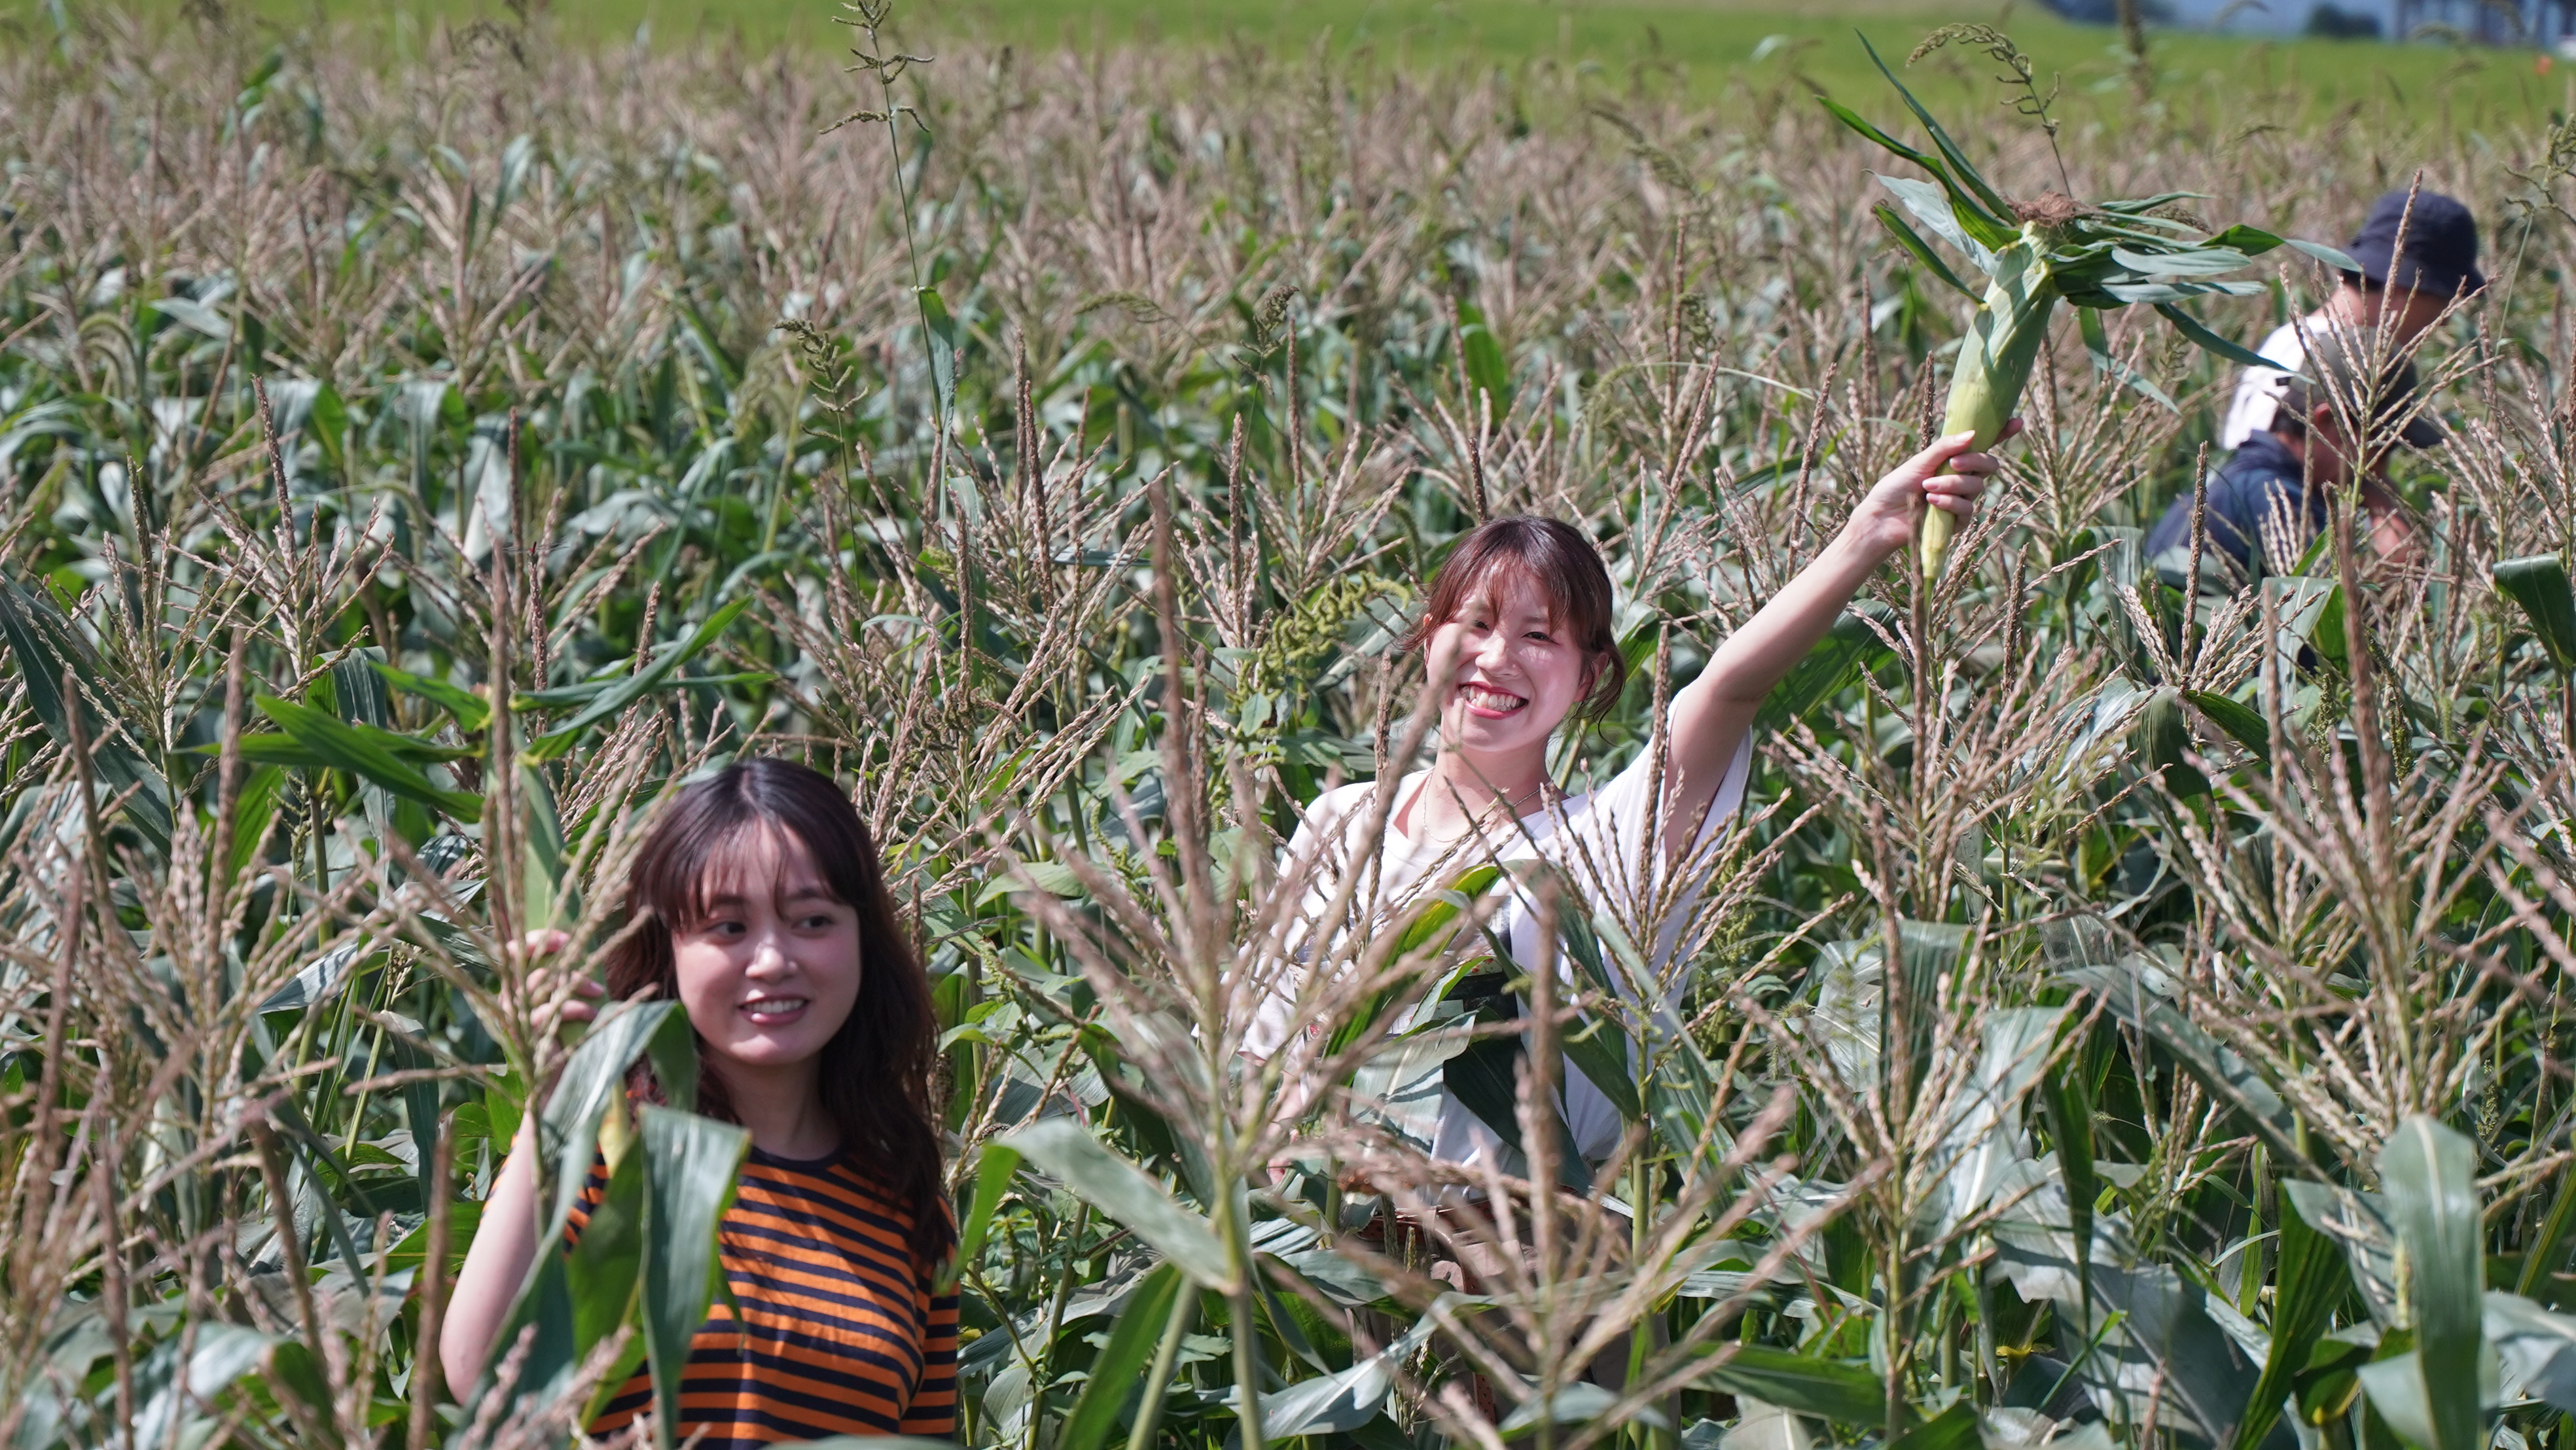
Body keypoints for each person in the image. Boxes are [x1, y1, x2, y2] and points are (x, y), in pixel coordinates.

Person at [1254, 425, 2011, 1176]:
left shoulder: (1604, 841)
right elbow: (1259, 1046)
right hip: (1313, 1228)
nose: (1497, 657)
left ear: (1589, 676)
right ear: (1430, 640)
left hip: (1503, 1237)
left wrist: (1868, 533)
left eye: (1539, 636)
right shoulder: (1338, 821)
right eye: (1476, 623)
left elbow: (1730, 688)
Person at [440, 759, 957, 1444]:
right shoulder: (611, 1147)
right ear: (669, 950)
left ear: (863, 937)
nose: (773, 960)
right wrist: (560, 1096)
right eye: (728, 927)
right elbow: (480, 1375)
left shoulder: (908, 1205)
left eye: (812, 919)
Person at [2147, 330, 2439, 586]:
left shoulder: (2245, 477)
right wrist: (2384, 509)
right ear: (2326, 421)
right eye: (2383, 445)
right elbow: (2369, 598)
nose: (2382, 467)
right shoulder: (2272, 495)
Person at [2217, 188, 2482, 450]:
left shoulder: (2290, 341)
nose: (2443, 322)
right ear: (2406, 287)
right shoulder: (2328, 360)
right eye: (2443, 304)